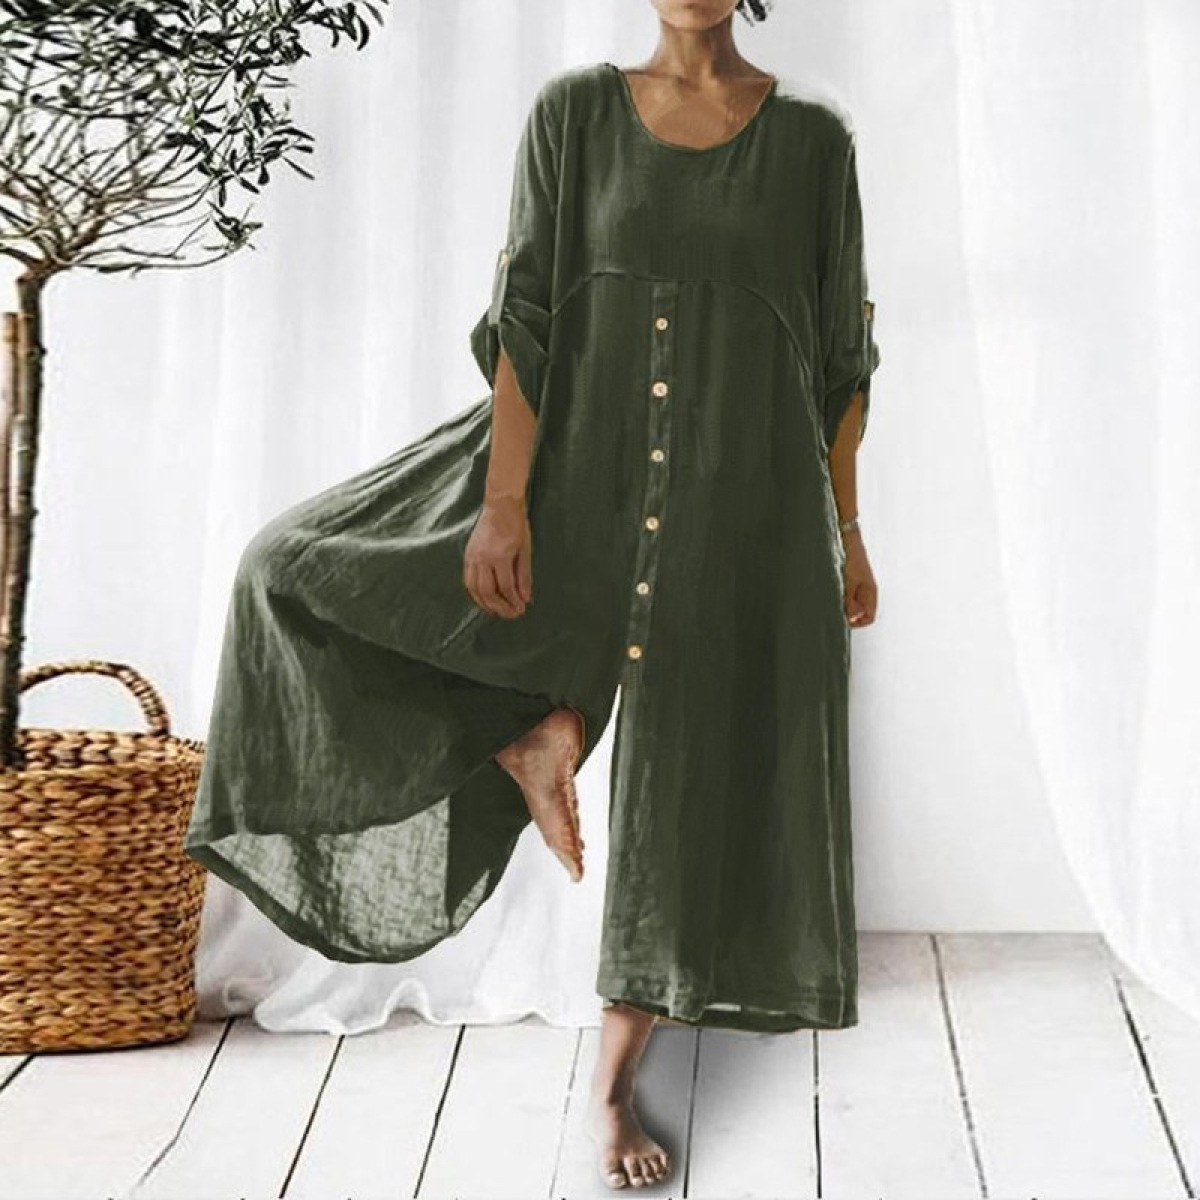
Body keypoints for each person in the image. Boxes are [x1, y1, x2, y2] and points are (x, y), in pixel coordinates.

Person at [184, 0, 882, 1189]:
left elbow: (839, 359)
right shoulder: (574, 115)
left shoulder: (815, 141)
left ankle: (611, 1089)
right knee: (288, 567)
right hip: (574, 476)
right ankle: (528, 725)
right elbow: (528, 318)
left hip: (746, 502)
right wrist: (504, 503)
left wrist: (848, 533)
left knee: (685, 795)